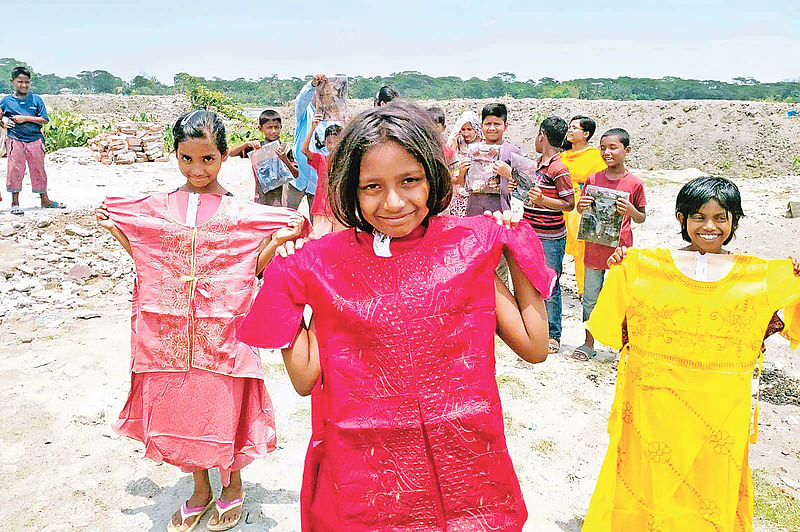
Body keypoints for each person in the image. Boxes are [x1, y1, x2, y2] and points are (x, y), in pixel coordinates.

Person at [238, 100, 556, 531]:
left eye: (410, 180)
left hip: (464, 470)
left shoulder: (468, 253)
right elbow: (304, 379)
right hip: (370, 482)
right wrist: (293, 281)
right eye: (371, 187)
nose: (393, 202)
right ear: (349, 188)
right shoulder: (324, 267)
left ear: (433, 177)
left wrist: (514, 243)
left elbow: (535, 346)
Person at [95, 110, 306, 532]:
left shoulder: (240, 211)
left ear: (224, 156)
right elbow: (149, 257)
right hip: (171, 336)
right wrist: (122, 233)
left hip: (222, 330)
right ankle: (200, 488)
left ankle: (232, 486)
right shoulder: (158, 208)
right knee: (183, 408)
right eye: (187, 159)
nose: (197, 169)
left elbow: (250, 266)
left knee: (222, 404)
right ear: (175, 156)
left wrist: (277, 240)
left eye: (208, 159)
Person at [582, 176, 800, 531]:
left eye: (721, 217)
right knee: (645, 478)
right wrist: (623, 264)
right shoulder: (642, 267)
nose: (710, 226)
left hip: (720, 409)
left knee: (710, 481)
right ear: (682, 219)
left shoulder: (760, 276)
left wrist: (794, 275)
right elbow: (608, 328)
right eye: (698, 216)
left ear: (735, 221)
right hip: (654, 404)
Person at [572, 128, 646, 360]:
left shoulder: (634, 183)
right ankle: (588, 343)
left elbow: (641, 217)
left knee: (620, 299)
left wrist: (631, 210)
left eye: (613, 147)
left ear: (627, 150)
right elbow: (580, 208)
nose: (606, 152)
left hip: (621, 250)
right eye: (603, 148)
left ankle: (623, 345)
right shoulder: (593, 179)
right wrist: (581, 206)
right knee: (591, 298)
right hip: (594, 247)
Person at [523, 116, 574, 354]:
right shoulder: (539, 165)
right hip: (531, 232)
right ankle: (536, 328)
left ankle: (553, 334)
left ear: (542, 135)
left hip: (550, 237)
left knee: (551, 284)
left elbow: (569, 203)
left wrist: (543, 200)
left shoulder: (558, 168)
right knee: (532, 282)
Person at [0, 66, 64, 214]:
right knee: (15, 170)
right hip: (15, 139)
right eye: (20, 82)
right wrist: (2, 121)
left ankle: (45, 200)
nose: (24, 85)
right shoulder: (6, 101)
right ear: (13, 81)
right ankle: (15, 203)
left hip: (35, 139)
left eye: (27, 82)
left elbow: (44, 119)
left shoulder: (36, 99)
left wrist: (24, 118)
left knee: (38, 170)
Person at [561, 115, 606, 296]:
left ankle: (583, 289)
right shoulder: (562, 155)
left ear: (586, 134)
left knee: (582, 248)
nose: (570, 130)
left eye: (574, 128)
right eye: (569, 127)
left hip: (581, 206)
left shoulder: (595, 156)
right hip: (560, 203)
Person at [228, 109, 297, 206]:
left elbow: (296, 174)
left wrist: (284, 159)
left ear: (281, 127)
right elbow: (231, 153)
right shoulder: (257, 148)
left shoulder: (285, 148)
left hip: (280, 199)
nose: (273, 131)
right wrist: (246, 144)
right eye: (269, 127)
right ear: (260, 129)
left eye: (276, 127)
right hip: (261, 197)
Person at [464, 103, 522, 216]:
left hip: (501, 213)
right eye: (488, 124)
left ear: (505, 126)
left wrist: (510, 173)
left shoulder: (513, 152)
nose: (492, 128)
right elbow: (464, 185)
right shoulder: (473, 151)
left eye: (496, 124)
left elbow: (529, 185)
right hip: (475, 212)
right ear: (481, 126)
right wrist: (462, 171)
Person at [288, 74, 329, 211]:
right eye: (319, 95)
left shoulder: (333, 120)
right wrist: (312, 85)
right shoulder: (304, 113)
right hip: (298, 175)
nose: (321, 99)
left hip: (317, 180)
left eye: (324, 96)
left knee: (316, 218)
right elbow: (301, 100)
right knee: (289, 214)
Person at [301, 111, 344, 236]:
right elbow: (304, 150)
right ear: (325, 143)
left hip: (340, 209)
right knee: (320, 240)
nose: (333, 145)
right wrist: (313, 127)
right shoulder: (321, 159)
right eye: (329, 142)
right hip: (321, 209)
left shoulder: (347, 162)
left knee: (340, 241)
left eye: (337, 142)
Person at [446, 110, 484, 217]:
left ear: (476, 129)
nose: (466, 133)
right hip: (458, 195)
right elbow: (450, 174)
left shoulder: (483, 146)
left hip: (477, 194)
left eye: (469, 129)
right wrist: (453, 150)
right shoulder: (456, 145)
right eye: (463, 129)